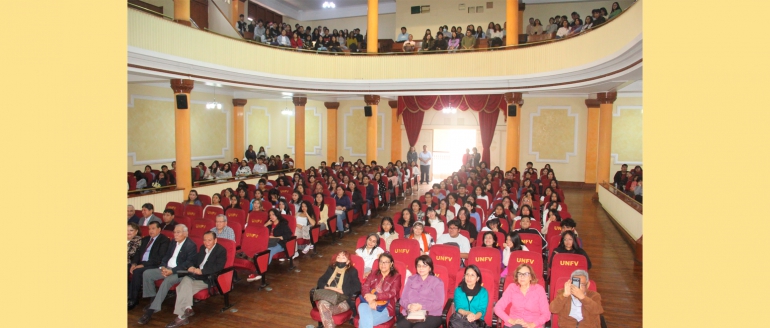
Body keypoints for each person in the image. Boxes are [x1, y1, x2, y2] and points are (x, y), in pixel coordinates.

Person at [164, 231, 227, 328]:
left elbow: (219, 267)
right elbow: (195, 260)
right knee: (185, 280)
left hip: (208, 278)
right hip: (196, 276)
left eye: (209, 240)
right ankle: (187, 309)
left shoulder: (221, 250)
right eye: (205, 240)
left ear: (215, 240)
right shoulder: (202, 248)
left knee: (181, 288)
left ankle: (181, 316)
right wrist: (190, 267)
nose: (206, 243)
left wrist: (202, 271)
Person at [137, 224, 197, 325]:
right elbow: (166, 256)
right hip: (167, 268)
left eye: (178, 232)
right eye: (174, 232)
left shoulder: (191, 245)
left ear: (185, 233)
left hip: (179, 272)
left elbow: (188, 264)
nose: (175, 234)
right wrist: (163, 267)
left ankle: (151, 311)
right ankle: (153, 300)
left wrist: (172, 271)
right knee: (147, 273)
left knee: (167, 281)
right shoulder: (173, 242)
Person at [128, 221, 170, 310]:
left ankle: (133, 300)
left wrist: (143, 265)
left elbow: (159, 258)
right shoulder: (145, 239)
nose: (151, 231)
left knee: (137, 271)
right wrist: (134, 263)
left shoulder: (164, 240)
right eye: (149, 229)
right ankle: (128, 295)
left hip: (153, 264)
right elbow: (137, 253)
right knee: (130, 267)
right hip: (142, 263)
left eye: (153, 228)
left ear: (159, 229)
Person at [314, 251, 362, 328]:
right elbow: (321, 280)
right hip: (329, 297)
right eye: (338, 257)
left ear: (347, 262)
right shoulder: (331, 268)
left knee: (322, 306)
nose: (340, 259)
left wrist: (342, 291)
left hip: (344, 301)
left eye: (343, 258)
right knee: (323, 304)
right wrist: (327, 287)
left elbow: (357, 287)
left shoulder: (352, 271)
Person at [494, 263, 550, 328]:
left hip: (532, 326)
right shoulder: (512, 288)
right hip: (513, 325)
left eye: (525, 274)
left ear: (531, 277)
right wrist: (511, 321)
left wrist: (532, 324)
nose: (522, 277)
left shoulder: (539, 290)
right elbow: (497, 308)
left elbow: (546, 314)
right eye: (519, 274)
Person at [396, 255, 445, 328]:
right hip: (411, 313)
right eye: (419, 266)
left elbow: (438, 303)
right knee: (400, 326)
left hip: (431, 314)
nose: (421, 268)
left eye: (424, 266)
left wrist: (421, 306)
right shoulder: (411, 280)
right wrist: (409, 306)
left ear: (430, 268)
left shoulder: (437, 282)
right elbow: (403, 299)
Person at [359, 253, 402, 328]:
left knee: (363, 321)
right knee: (362, 306)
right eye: (381, 261)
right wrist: (371, 301)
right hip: (368, 303)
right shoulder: (373, 273)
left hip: (386, 307)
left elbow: (392, 293)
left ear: (391, 264)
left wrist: (375, 297)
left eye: (386, 262)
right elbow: (365, 287)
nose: (383, 264)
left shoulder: (396, 277)